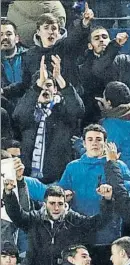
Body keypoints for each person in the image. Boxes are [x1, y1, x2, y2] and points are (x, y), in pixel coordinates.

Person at [24, 129, 130, 265]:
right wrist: (65, 196)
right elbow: (59, 193)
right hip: (78, 238)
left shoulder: (118, 166)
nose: (94, 143)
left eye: (98, 139)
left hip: (107, 236)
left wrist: (114, 195)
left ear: (105, 143)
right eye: (90, 139)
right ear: (84, 144)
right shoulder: (73, 167)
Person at [2, 179, 114, 265]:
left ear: (65, 203)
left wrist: (107, 200)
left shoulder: (74, 220)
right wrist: (8, 194)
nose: (56, 208)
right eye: (52, 203)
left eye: (60, 204)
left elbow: (98, 223)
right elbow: (16, 215)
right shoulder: (34, 219)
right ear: (44, 204)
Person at [13, 54, 85, 183]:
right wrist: (38, 85)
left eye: (49, 85)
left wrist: (59, 78)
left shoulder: (64, 109)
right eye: (41, 86)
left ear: (56, 89)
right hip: (28, 178)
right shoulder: (29, 109)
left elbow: (78, 109)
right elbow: (18, 115)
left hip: (57, 180)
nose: (45, 88)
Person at [21, 6, 94, 90]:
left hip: (69, 98)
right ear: (38, 32)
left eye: (54, 28)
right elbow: (26, 84)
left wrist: (84, 23)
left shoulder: (67, 47)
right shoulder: (30, 54)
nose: (50, 32)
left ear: (59, 32)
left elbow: (76, 37)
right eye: (46, 28)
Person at [99, 81, 130, 189]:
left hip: (121, 181)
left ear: (109, 102)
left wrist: (80, 146)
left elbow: (102, 154)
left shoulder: (111, 125)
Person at [79, 26, 129, 126]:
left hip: (119, 117)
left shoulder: (121, 61)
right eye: (97, 38)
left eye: (104, 37)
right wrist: (115, 45)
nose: (101, 40)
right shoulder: (84, 67)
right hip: (93, 119)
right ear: (90, 46)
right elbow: (99, 68)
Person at [1, 19, 27, 104]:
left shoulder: (29, 56)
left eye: (8, 34)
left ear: (17, 38)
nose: (4, 37)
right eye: (1, 34)